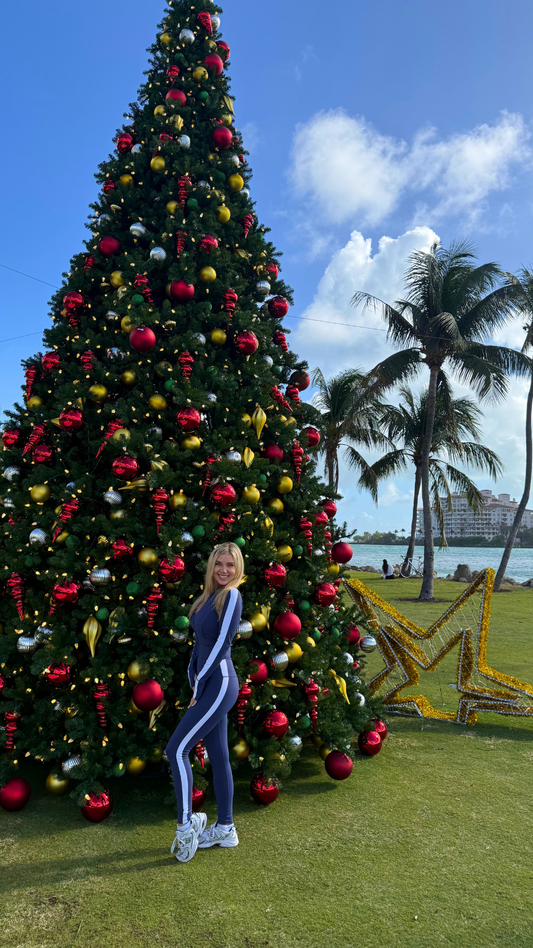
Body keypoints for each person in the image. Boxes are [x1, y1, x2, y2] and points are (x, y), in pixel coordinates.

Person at [165, 542, 243, 863]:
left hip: (220, 683)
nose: (224, 570)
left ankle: (186, 828)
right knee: (219, 756)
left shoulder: (233, 596)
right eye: (219, 564)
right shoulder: (206, 598)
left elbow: (222, 644)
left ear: (238, 569)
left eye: (230, 565)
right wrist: (191, 676)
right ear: (211, 567)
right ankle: (225, 828)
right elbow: (199, 645)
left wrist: (199, 683)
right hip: (208, 684)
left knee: (176, 749)